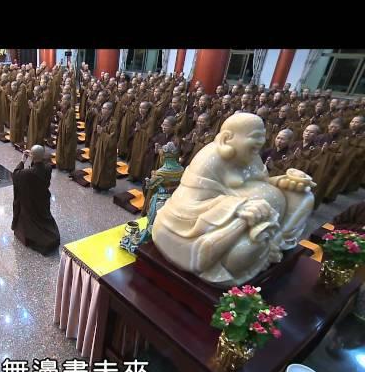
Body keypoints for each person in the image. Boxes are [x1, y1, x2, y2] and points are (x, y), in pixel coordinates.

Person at [151, 113, 315, 286]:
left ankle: (275, 242)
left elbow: (261, 182)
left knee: (304, 197)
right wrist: (236, 207)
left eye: (263, 136)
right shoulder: (210, 159)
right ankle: (258, 248)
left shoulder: (252, 155)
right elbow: (186, 205)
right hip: (198, 226)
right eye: (255, 137)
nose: (261, 142)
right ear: (227, 138)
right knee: (239, 253)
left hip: (257, 217)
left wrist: (281, 182)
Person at [11, 145, 60, 255]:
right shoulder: (48, 168)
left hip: (31, 203)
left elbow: (15, 175)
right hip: (42, 200)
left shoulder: (26, 174)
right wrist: (35, 156)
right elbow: (40, 164)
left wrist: (22, 161)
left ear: (32, 157)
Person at [91, 102, 119, 192]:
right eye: (102, 108)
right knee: (97, 165)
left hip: (108, 150)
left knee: (105, 167)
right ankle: (96, 182)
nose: (103, 110)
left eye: (105, 108)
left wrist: (102, 133)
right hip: (100, 146)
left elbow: (112, 140)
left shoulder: (113, 123)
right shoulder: (101, 119)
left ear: (110, 110)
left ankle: (104, 185)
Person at [55, 94, 77, 172]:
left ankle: (67, 167)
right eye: (62, 100)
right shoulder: (65, 109)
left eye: (64, 100)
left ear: (68, 101)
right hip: (62, 134)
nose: (62, 101)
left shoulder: (71, 111)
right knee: (61, 149)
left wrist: (62, 117)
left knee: (67, 151)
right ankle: (61, 165)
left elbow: (69, 126)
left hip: (68, 136)